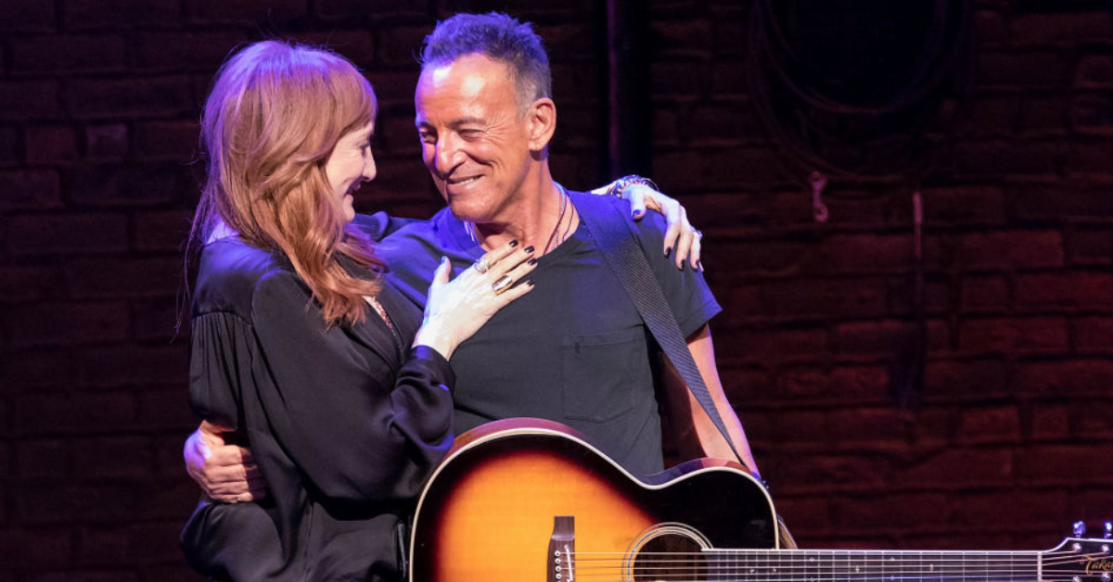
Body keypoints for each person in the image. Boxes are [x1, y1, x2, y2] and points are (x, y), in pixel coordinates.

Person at [186, 12, 758, 498]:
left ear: (539, 124)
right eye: (428, 134)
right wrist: (206, 446)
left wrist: (763, 533)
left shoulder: (640, 240)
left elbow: (708, 427)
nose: (444, 157)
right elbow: (266, 227)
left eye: (468, 130)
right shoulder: (393, 261)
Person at [181, 40, 542, 580]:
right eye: (361, 146)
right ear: (302, 151)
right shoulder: (265, 284)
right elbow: (378, 465)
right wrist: (437, 341)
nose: (371, 169)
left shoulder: (314, 244)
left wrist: (606, 200)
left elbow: (425, 231)